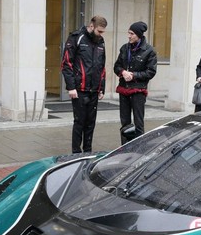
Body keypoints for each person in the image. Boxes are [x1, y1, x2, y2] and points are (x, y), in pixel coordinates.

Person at [61, 15, 107, 153]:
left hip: (93, 90)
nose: (101, 34)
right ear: (91, 26)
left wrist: (101, 88)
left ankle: (88, 152)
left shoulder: (101, 41)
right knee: (79, 122)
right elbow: (66, 64)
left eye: (103, 32)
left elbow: (102, 66)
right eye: (99, 31)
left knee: (90, 124)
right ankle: (76, 153)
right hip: (79, 89)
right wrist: (71, 87)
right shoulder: (76, 37)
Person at [114, 21, 157, 143]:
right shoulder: (124, 48)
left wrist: (134, 75)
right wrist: (122, 72)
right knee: (125, 123)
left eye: (131, 33)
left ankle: (138, 148)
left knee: (138, 123)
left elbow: (151, 72)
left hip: (138, 91)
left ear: (138, 35)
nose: (129, 36)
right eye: (128, 33)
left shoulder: (149, 51)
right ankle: (124, 148)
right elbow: (116, 66)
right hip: (124, 89)